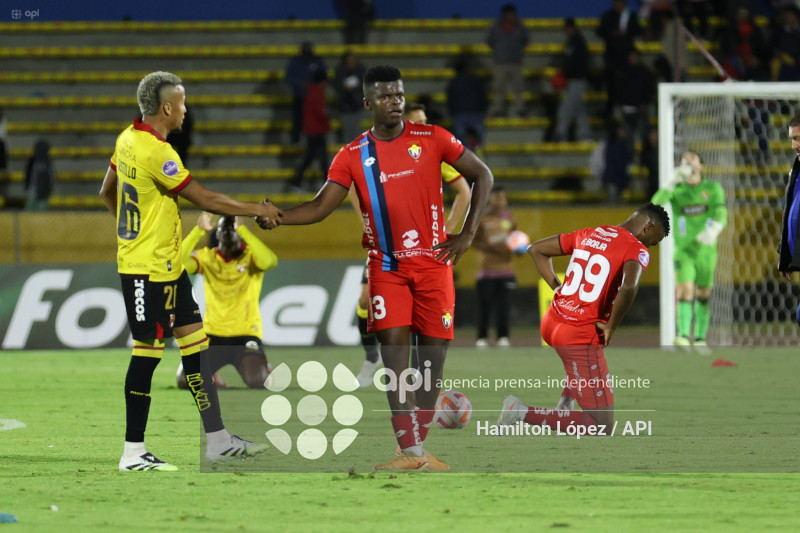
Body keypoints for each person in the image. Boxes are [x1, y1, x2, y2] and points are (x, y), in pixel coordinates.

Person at [258, 65, 494, 471]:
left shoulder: (432, 138)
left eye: (399, 94)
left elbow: (482, 175)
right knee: (396, 360)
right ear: (367, 103)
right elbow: (319, 207)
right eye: (385, 96)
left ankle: (418, 447)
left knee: (432, 364)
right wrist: (279, 216)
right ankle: (410, 452)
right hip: (387, 269)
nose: (395, 102)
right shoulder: (352, 155)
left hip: (434, 266)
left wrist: (468, 234)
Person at [99, 71, 281, 471]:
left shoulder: (126, 139)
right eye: (182, 102)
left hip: (168, 270)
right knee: (147, 354)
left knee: (197, 351)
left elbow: (105, 191)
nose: (186, 109)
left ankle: (217, 440)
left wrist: (130, 230)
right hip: (144, 272)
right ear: (166, 107)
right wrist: (259, 209)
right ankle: (132, 452)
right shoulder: (156, 152)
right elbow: (206, 198)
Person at [498, 203, 670, 432]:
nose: (651, 245)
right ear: (648, 227)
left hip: (552, 322)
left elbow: (535, 249)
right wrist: (611, 326)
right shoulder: (636, 249)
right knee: (602, 425)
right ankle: (518, 411)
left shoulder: (590, 233)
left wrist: (557, 287)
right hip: (577, 335)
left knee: (584, 358)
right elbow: (630, 286)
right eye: (654, 241)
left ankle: (564, 405)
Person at [352, 102, 472, 387]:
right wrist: (370, 226)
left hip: (424, 250)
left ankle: (418, 371)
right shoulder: (377, 154)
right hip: (387, 248)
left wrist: (447, 231)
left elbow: (464, 192)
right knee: (363, 300)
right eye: (417, 122)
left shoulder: (433, 155)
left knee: (422, 310)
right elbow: (355, 191)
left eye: (425, 121)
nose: (423, 127)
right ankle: (372, 359)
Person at [175, 212, 277, 390]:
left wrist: (244, 230)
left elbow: (270, 261)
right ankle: (212, 377)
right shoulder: (208, 257)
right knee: (185, 380)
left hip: (245, 335)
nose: (229, 230)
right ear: (218, 234)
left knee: (258, 381)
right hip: (212, 336)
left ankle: (264, 368)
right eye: (224, 227)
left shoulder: (251, 257)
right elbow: (179, 263)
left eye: (234, 227)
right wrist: (198, 230)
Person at [652, 150, 726, 352]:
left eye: (692, 158)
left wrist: (714, 229)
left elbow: (721, 211)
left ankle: (700, 339)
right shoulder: (677, 191)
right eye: (684, 159)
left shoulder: (712, 188)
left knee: (704, 293)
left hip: (706, 250)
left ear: (700, 165)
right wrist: (669, 183)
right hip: (683, 251)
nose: (687, 161)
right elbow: (654, 206)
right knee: (685, 290)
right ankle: (683, 336)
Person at [472, 186, 518, 348]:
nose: (500, 201)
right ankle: (482, 337)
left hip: (507, 270)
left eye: (503, 198)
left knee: (504, 306)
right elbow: (473, 241)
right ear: (490, 199)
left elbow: (516, 241)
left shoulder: (511, 219)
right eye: (497, 197)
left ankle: (503, 337)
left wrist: (519, 250)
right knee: (485, 306)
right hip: (486, 271)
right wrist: (491, 248)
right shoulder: (483, 218)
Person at [284, 69, 330, 193]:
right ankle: (297, 182)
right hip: (317, 130)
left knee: (316, 157)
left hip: (312, 129)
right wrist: (327, 119)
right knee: (318, 157)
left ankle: (298, 182)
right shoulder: (317, 92)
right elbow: (320, 111)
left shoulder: (310, 91)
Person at [597, 0, 640, 117]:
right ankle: (610, 111)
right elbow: (600, 31)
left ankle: (627, 109)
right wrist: (613, 33)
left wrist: (626, 33)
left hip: (626, 60)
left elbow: (638, 30)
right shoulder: (608, 16)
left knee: (627, 86)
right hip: (611, 59)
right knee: (611, 87)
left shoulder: (631, 16)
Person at [486, 4, 529, 118]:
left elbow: (525, 40)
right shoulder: (496, 27)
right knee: (499, 88)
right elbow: (489, 41)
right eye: (509, 14)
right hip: (500, 63)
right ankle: (498, 109)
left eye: (513, 14)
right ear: (504, 15)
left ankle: (520, 108)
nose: (511, 16)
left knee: (518, 88)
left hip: (516, 62)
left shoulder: (520, 27)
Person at [554, 18, 592, 143]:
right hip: (574, 80)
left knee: (567, 107)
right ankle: (585, 135)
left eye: (569, 28)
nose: (568, 31)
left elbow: (578, 62)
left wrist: (566, 72)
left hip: (578, 79)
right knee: (579, 108)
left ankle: (561, 133)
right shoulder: (571, 42)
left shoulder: (578, 42)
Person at [778, 115, 800, 320]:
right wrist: (785, 255)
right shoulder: (796, 169)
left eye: (799, 138)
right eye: (792, 138)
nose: (794, 145)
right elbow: (791, 213)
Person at [285, 42, 327, 145]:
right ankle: (296, 139)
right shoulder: (294, 62)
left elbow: (323, 75)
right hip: (300, 95)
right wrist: (301, 84)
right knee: (298, 118)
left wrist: (315, 85)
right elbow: (288, 78)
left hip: (314, 97)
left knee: (315, 120)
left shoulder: (317, 61)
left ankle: (315, 140)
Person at [446, 54, 489, 151]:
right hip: (476, 113)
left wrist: (452, 113)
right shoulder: (475, 80)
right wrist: (483, 109)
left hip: (460, 114)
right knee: (478, 142)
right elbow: (482, 95)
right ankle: (478, 159)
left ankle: (464, 161)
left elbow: (450, 99)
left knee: (460, 145)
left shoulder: (453, 82)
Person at [334, 51, 367, 144]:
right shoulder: (340, 71)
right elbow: (336, 85)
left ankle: (357, 153)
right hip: (345, 105)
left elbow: (365, 86)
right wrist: (344, 87)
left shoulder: (360, 71)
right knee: (347, 131)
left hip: (357, 105)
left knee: (356, 130)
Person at [24, 139, 55, 211]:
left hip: (42, 189)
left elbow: (50, 177)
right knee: (32, 207)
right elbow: (28, 174)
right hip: (34, 188)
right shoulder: (33, 160)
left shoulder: (47, 161)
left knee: (40, 208)